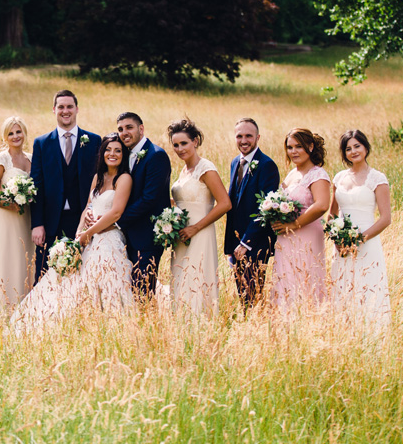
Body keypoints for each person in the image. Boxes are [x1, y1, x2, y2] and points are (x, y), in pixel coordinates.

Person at [12, 134, 134, 333]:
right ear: (102, 153)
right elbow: (88, 207)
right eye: (108, 150)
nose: (112, 154)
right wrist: (79, 234)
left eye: (118, 150)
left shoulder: (124, 178)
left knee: (101, 280)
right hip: (88, 237)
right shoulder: (98, 177)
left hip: (108, 239)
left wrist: (90, 232)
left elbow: (116, 212)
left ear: (123, 154)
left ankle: (105, 325)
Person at [30, 90, 101, 282]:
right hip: (51, 220)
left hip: (83, 220)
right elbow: (36, 186)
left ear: (77, 109)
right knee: (45, 275)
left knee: (82, 273)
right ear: (54, 110)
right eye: (61, 107)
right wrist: (37, 223)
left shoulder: (94, 141)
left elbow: (100, 183)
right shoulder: (42, 143)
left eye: (69, 106)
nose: (65, 111)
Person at [329, 130, 392, 330]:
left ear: (365, 147)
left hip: (367, 243)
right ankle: (344, 333)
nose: (353, 151)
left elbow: (385, 219)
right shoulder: (338, 178)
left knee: (368, 288)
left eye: (357, 146)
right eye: (348, 148)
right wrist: (337, 240)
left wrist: (357, 241)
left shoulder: (377, 178)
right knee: (343, 287)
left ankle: (372, 335)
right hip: (341, 247)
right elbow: (331, 215)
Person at [167, 118, 232, 314]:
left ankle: (200, 328)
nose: (179, 149)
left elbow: (224, 203)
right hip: (180, 236)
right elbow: (184, 201)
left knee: (196, 279)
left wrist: (195, 227)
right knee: (180, 279)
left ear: (195, 141)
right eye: (176, 145)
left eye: (184, 143)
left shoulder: (206, 168)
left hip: (199, 233)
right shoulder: (184, 170)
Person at [270, 128, 332, 311]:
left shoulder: (318, 174)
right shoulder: (291, 175)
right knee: (286, 278)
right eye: (290, 147)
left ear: (311, 147)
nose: (293, 151)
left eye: (299, 146)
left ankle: (308, 321)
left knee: (305, 277)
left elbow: (321, 205)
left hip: (306, 234)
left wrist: (294, 224)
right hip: (285, 237)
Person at [223, 118, 281, 310]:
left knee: (252, 294)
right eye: (239, 136)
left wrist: (245, 242)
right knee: (242, 294)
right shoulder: (234, 163)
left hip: (254, 242)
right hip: (236, 242)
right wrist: (231, 244)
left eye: (248, 135)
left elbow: (265, 209)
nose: (244, 140)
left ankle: (255, 328)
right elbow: (234, 204)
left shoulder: (267, 165)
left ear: (258, 137)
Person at [113, 112, 172, 299]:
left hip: (146, 237)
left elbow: (149, 198)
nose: (124, 133)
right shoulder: (123, 155)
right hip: (126, 237)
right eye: (120, 129)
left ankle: (149, 326)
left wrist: (117, 220)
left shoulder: (156, 156)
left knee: (143, 292)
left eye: (129, 127)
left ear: (141, 128)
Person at [0, 116, 34, 320]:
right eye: (11, 133)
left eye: (18, 132)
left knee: (24, 261)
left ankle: (23, 315)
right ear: (5, 137)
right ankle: (1, 314)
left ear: (24, 133)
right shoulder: (0, 159)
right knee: (5, 262)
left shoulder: (32, 158)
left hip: (26, 219)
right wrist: (8, 202)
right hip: (5, 219)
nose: (15, 136)